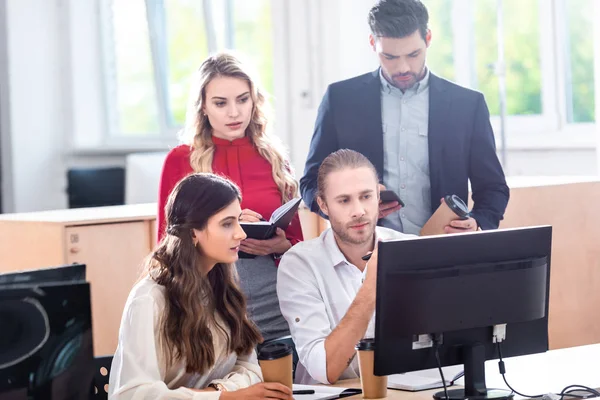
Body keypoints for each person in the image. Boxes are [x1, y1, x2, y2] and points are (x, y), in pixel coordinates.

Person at [300, 0, 509, 236]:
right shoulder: (340, 100)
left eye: (413, 54)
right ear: (372, 43)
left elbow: (494, 188)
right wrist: (348, 211)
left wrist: (478, 222)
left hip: (443, 252)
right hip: (363, 257)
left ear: (428, 38)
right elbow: (310, 183)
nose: (403, 68)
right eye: (389, 56)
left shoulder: (467, 105)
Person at [157, 52, 303, 346]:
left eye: (242, 99)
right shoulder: (180, 160)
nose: (234, 112)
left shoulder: (274, 158)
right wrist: (228, 229)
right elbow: (167, 245)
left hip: (275, 295)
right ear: (204, 108)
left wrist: (280, 245)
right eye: (221, 103)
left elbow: (297, 241)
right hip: (208, 298)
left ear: (254, 100)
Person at [110, 173, 293, 399]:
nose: (241, 233)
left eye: (239, 220)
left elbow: (250, 368)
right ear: (193, 232)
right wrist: (223, 398)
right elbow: (132, 394)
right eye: (227, 224)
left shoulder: (224, 286)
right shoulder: (149, 298)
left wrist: (215, 393)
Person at [277, 149, 415, 384]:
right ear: (323, 204)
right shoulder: (299, 264)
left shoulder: (411, 250)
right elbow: (325, 370)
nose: (359, 211)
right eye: (344, 200)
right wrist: (372, 287)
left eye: (366, 196)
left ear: (378, 197)